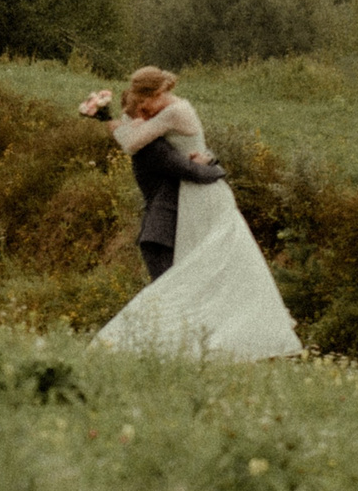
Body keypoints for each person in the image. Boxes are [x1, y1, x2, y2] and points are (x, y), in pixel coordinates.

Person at [80, 67, 303, 361]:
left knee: (208, 263)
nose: (144, 113)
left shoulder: (175, 111)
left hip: (203, 190)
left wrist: (216, 169)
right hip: (193, 192)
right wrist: (107, 117)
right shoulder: (166, 113)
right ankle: (198, 340)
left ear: (158, 94)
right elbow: (136, 131)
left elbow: (132, 140)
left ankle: (207, 339)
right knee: (199, 264)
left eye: (145, 105)